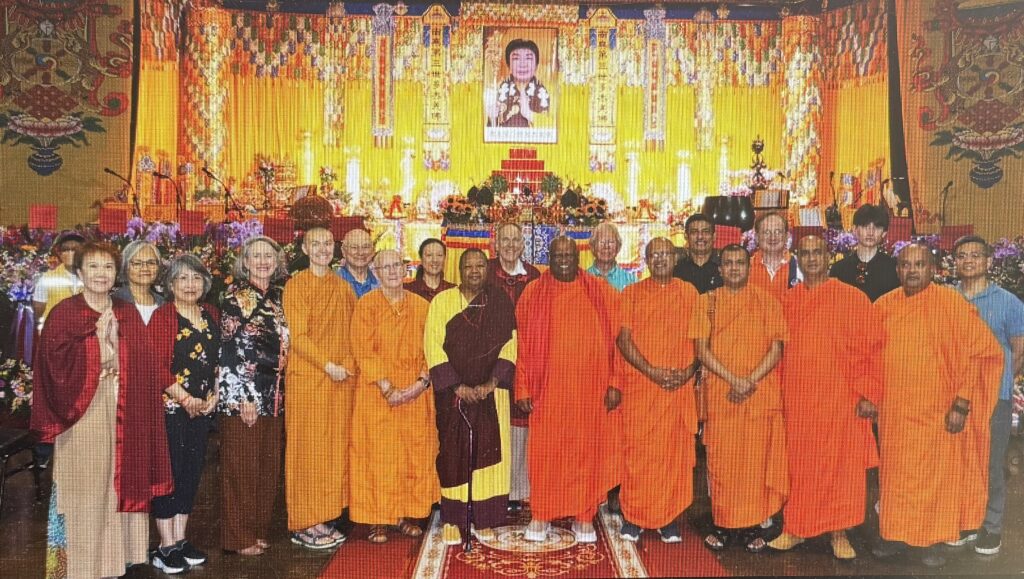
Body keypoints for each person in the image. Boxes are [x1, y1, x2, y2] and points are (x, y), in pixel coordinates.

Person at [32, 241, 172, 579]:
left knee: (117, 483)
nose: (100, 274)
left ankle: (112, 563)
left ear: (116, 273)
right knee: (86, 488)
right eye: (92, 267)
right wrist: (98, 343)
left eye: (107, 267)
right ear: (79, 272)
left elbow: (146, 363)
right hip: (82, 412)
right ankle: (79, 567)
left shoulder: (125, 313)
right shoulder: (65, 313)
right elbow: (51, 367)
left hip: (126, 409)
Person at [871, 243, 1002, 567]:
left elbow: (979, 352)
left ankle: (930, 543)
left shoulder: (950, 303)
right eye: (905, 265)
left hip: (938, 414)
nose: (912, 271)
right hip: (896, 414)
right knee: (896, 480)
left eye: (919, 265)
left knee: (934, 481)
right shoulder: (884, 305)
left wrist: (961, 402)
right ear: (897, 270)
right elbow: (868, 355)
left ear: (933, 270)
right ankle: (895, 536)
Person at [768, 235, 882, 560]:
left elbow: (873, 350)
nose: (811, 258)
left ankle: (839, 532)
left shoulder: (853, 298)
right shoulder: (788, 301)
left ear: (828, 257)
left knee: (840, 468)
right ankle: (795, 527)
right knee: (799, 466)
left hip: (841, 400)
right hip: (799, 400)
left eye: (817, 252)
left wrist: (868, 393)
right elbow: (776, 352)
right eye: (805, 253)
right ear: (797, 259)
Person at [516, 236, 620, 543]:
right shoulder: (533, 293)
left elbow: (620, 343)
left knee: (587, 455)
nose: (563, 260)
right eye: (557, 255)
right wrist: (522, 387)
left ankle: (584, 515)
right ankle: (542, 514)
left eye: (569, 255)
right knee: (545, 454)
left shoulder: (601, 293)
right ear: (548, 257)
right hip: (547, 392)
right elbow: (520, 344)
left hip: (590, 393)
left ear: (578, 257)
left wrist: (615, 383)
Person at [688, 243, 788, 553]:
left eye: (740, 263)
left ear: (749, 267)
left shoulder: (767, 302)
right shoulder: (707, 302)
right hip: (722, 394)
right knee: (721, 461)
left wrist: (749, 381)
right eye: (728, 263)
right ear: (720, 268)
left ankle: (753, 525)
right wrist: (734, 380)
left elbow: (777, 347)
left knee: (755, 462)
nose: (734, 268)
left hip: (757, 393)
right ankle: (722, 523)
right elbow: (701, 349)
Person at [424, 249, 517, 545]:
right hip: (455, 395)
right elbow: (432, 345)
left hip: (491, 394)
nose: (475, 271)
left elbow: (511, 343)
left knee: (490, 455)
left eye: (480, 265)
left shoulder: (499, 301)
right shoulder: (443, 301)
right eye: (469, 266)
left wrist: (492, 382)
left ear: (487, 270)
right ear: (460, 269)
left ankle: (486, 518)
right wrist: (455, 386)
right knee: (454, 455)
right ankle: (454, 519)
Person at [350, 250, 439, 544]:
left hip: (415, 392)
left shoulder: (422, 305)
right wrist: (387, 387)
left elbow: (435, 347)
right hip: (378, 393)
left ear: (406, 269)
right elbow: (362, 349)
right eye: (385, 266)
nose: (391, 271)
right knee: (378, 456)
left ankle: (407, 514)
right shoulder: (366, 306)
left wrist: (420, 383)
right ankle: (379, 518)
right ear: (375, 272)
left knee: (414, 454)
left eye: (396, 265)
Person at [616, 237, 699, 543]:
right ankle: (634, 518)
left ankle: (669, 519)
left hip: (678, 389)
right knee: (639, 453)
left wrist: (687, 373)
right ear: (646, 261)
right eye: (654, 255)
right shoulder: (633, 293)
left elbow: (701, 339)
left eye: (666, 254)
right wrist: (651, 371)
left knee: (672, 457)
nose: (661, 259)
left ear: (675, 259)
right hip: (643, 388)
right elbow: (623, 339)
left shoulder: (689, 293)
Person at [282, 227, 356, 550]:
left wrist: (348, 368)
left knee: (331, 451)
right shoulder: (296, 286)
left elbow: (354, 332)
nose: (324, 249)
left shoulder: (343, 288)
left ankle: (324, 516)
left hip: (340, 382)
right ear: (305, 248)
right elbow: (298, 337)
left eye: (328, 243)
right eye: (317, 244)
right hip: (310, 379)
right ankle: (304, 522)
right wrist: (327, 365)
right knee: (307, 451)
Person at [218, 235, 290, 556]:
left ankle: (258, 529)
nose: (263, 261)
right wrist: (242, 395)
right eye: (256, 256)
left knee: (267, 468)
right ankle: (238, 536)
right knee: (242, 469)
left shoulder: (279, 296)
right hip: (245, 395)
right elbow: (230, 351)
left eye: (269, 255)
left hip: (276, 395)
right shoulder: (235, 298)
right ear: (245, 262)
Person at [952, 235, 1024, 556]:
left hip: (995, 396)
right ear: (955, 262)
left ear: (989, 262)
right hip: (956, 398)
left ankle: (991, 527)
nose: (969, 260)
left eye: (976, 255)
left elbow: (1019, 350)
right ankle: (967, 521)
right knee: (962, 463)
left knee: (993, 464)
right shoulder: (947, 298)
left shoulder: (1009, 302)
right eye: (962, 255)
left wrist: (999, 379)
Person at [149, 255, 220, 573]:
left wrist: (215, 395)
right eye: (182, 279)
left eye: (195, 278)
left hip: (202, 409)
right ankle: (163, 546)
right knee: (170, 473)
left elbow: (222, 358)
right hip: (171, 407)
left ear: (204, 283)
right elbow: (154, 364)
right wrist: (183, 397)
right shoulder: (163, 317)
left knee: (192, 472)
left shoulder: (212, 314)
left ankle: (180, 539)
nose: (190, 284)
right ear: (170, 285)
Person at [487, 222, 540, 510]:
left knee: (521, 425)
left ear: (523, 245)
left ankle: (518, 491)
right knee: (494, 423)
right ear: (495, 244)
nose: (509, 245)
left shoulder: (533, 276)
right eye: (504, 239)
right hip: (491, 360)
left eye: (515, 240)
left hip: (525, 360)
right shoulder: (485, 272)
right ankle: (495, 488)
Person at [829, 204, 899, 302]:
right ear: (855, 230)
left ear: (884, 233)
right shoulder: (839, 269)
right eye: (865, 226)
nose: (871, 232)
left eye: (877, 227)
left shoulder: (894, 269)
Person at [488, 38, 550, 128]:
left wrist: (530, 115)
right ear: (509, 65)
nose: (523, 64)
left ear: (536, 65)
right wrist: (491, 118)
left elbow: (556, 127)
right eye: (516, 58)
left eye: (528, 58)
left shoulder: (546, 91)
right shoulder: (499, 90)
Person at [32, 230, 85, 328]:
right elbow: (38, 312)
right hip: (55, 334)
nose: (70, 253)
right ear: (59, 253)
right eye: (66, 250)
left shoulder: (91, 278)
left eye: (75, 249)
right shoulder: (46, 279)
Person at [749, 212, 801, 301]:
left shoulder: (800, 268)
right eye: (766, 232)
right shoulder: (745, 268)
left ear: (786, 236)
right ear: (757, 237)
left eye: (778, 232)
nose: (773, 237)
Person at [113, 240, 165, 324]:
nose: (145, 268)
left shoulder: (164, 304)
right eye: (137, 263)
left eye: (151, 263)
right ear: (125, 267)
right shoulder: (114, 302)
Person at [673, 214, 722, 294]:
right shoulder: (676, 270)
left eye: (705, 232)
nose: (700, 237)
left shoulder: (724, 268)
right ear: (686, 236)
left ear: (714, 236)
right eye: (694, 232)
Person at [587, 223, 636, 292]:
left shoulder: (631, 280)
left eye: (611, 242)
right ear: (592, 247)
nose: (606, 246)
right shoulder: (582, 279)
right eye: (602, 242)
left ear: (618, 247)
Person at [337, 228, 379, 298]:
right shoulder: (331, 284)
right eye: (354, 247)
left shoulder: (382, 285)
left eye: (365, 247)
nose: (360, 252)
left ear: (373, 251)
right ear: (343, 251)